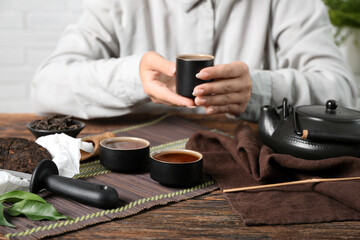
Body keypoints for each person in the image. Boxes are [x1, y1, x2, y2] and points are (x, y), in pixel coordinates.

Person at [31, 0, 358, 121]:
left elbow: (342, 92)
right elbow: (46, 87)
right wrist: (135, 78)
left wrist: (259, 89)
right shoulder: (117, 5)